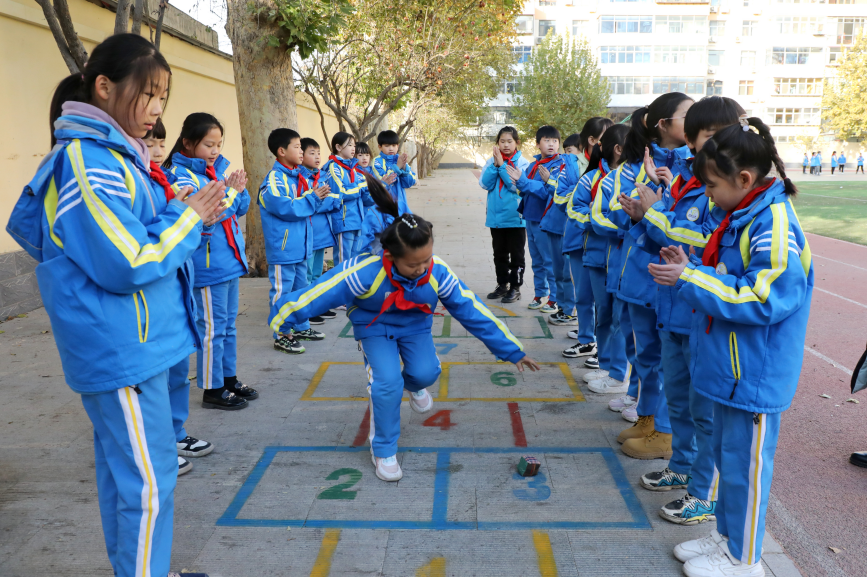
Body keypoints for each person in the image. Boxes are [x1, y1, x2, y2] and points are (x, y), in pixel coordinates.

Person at [8, 33, 226, 577]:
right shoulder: (90, 161)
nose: (156, 110)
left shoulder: (114, 157)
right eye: (148, 95)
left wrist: (174, 209)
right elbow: (125, 261)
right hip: (122, 349)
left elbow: (133, 235)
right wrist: (187, 217)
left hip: (138, 346)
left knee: (125, 476)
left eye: (163, 98)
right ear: (104, 88)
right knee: (148, 485)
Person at [269, 176, 541, 481]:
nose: (422, 268)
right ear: (392, 257)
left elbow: (472, 311)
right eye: (414, 265)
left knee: (425, 373)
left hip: (415, 327)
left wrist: (512, 351)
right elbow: (320, 293)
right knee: (386, 384)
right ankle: (384, 451)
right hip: (374, 328)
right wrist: (283, 316)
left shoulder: (437, 271)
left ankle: (415, 384)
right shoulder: (365, 272)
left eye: (426, 260)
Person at [649, 116, 813, 577]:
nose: (708, 195)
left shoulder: (774, 223)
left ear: (744, 179)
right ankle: (727, 538)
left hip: (754, 372)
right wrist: (690, 266)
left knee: (746, 467)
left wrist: (691, 277)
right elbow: (725, 274)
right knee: (726, 458)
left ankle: (745, 559)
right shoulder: (743, 213)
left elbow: (764, 297)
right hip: (729, 367)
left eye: (713, 185)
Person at [621, 96, 745, 526]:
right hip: (672, 308)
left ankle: (701, 491)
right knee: (680, 401)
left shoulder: (724, 193)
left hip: (700, 315)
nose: (713, 141)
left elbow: (695, 240)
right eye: (706, 134)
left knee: (703, 408)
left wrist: (655, 215)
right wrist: (645, 215)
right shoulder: (687, 183)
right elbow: (669, 236)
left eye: (719, 132)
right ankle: (682, 465)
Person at [603, 92, 695, 459]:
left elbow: (682, 224)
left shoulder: (693, 167)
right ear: (663, 124)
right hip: (640, 274)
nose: (694, 121)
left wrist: (658, 205)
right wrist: (634, 211)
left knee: (667, 360)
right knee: (644, 353)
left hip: (668, 275)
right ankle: (647, 418)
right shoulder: (637, 166)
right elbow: (616, 213)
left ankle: (665, 430)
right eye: (686, 115)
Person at [165, 113, 258, 410]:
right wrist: (230, 192)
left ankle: (227, 377)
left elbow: (235, 209)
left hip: (228, 260)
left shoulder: (212, 171)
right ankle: (212, 388)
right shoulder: (182, 175)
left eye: (219, 144)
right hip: (206, 266)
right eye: (209, 144)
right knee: (211, 329)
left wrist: (238, 191)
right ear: (188, 143)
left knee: (228, 326)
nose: (215, 150)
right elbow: (212, 210)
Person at [145, 118, 214, 476]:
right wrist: (180, 215)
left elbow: (185, 239)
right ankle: (155, 445)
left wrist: (201, 220)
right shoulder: (130, 183)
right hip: (149, 297)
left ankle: (175, 433)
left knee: (176, 371)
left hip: (176, 287)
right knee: (150, 380)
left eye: (160, 143)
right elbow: (142, 244)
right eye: (149, 142)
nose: (157, 150)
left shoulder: (164, 182)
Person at [563, 124, 631, 391]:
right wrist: (596, 219)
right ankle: (605, 366)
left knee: (620, 318)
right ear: (617, 149)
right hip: (597, 257)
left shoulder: (638, 178)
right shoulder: (591, 178)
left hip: (624, 260)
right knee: (603, 315)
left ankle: (619, 371)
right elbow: (573, 209)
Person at [258, 129, 331, 354]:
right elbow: (286, 208)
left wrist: (317, 197)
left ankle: (300, 326)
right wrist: (313, 197)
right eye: (297, 147)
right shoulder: (274, 180)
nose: (301, 151)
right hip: (284, 248)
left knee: (302, 289)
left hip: (301, 246)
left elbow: (308, 205)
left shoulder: (299, 176)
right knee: (283, 292)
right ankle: (282, 334)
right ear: (281, 151)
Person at [553, 117, 614, 335]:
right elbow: (560, 201)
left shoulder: (616, 166)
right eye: (607, 136)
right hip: (578, 238)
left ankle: (601, 345)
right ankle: (586, 337)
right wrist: (582, 194)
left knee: (604, 298)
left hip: (604, 240)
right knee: (584, 295)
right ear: (591, 139)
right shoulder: (570, 163)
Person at [505, 125, 564, 314]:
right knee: (537, 261)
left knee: (549, 261)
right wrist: (519, 182)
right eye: (547, 140)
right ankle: (540, 294)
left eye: (555, 141)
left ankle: (554, 298)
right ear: (538, 144)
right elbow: (524, 188)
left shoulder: (558, 166)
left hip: (545, 221)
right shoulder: (534, 165)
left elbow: (545, 191)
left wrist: (523, 182)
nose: (551, 144)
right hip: (530, 219)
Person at [478, 126, 530, 304]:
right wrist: (495, 165)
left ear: (517, 143)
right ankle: (502, 285)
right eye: (502, 141)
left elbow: (515, 186)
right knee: (499, 254)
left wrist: (502, 166)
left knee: (517, 255)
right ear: (497, 143)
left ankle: (515, 288)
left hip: (516, 218)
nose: (506, 145)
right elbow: (485, 183)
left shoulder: (523, 163)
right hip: (496, 219)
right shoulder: (490, 161)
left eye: (510, 141)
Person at [321, 132, 373, 266]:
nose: (353, 148)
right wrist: (361, 186)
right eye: (349, 145)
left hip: (357, 220)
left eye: (354, 145)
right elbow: (341, 192)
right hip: (343, 220)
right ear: (338, 147)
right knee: (343, 262)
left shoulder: (353, 168)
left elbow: (366, 191)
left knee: (355, 260)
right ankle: (342, 286)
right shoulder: (333, 167)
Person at [301, 137, 339, 303]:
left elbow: (334, 200)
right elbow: (310, 205)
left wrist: (323, 201)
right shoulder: (301, 179)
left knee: (317, 271)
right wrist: (321, 201)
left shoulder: (322, 177)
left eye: (318, 153)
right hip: (309, 233)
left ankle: (316, 303)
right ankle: (307, 305)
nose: (317, 157)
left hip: (322, 233)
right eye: (312, 153)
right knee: (306, 272)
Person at [372, 129, 416, 216]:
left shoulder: (399, 160)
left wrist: (404, 169)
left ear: (397, 146)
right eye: (387, 146)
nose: (391, 148)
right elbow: (384, 181)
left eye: (394, 145)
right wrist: (397, 167)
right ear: (380, 147)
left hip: (401, 204)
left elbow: (409, 183)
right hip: (384, 204)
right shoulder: (377, 161)